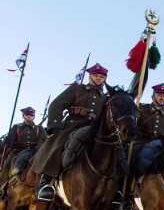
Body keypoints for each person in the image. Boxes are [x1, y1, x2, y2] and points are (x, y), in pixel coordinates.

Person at [32, 63, 109, 200]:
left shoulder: (106, 98)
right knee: (59, 144)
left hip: (94, 131)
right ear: (90, 76)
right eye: (96, 75)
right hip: (73, 126)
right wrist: (55, 125)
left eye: (102, 76)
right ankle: (46, 183)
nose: (98, 78)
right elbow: (56, 105)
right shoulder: (77, 89)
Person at [0, 107, 46, 197]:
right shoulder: (16, 127)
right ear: (23, 116)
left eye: (31, 115)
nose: (29, 117)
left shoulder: (39, 128)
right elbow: (12, 137)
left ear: (34, 117)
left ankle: (44, 187)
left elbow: (43, 139)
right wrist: (8, 140)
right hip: (17, 151)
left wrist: (37, 148)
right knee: (7, 164)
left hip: (34, 151)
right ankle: (1, 186)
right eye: (27, 115)